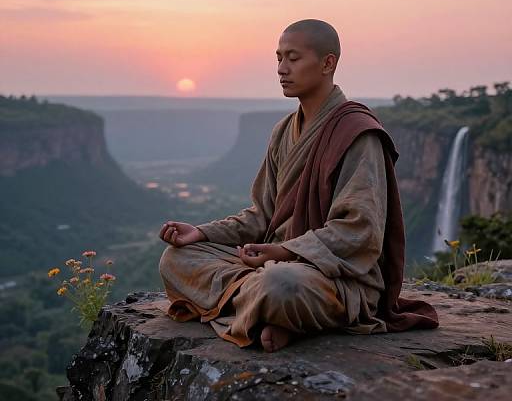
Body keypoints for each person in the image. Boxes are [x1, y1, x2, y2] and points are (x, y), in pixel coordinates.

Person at [158, 19, 438, 353]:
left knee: (281, 284)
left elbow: (359, 231)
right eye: (278, 58)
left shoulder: (358, 134)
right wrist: (201, 234)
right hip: (269, 267)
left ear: (327, 63)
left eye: (293, 58)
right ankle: (272, 315)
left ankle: (263, 308)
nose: (281, 68)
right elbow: (261, 217)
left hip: (331, 278)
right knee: (176, 258)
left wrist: (285, 252)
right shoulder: (282, 131)